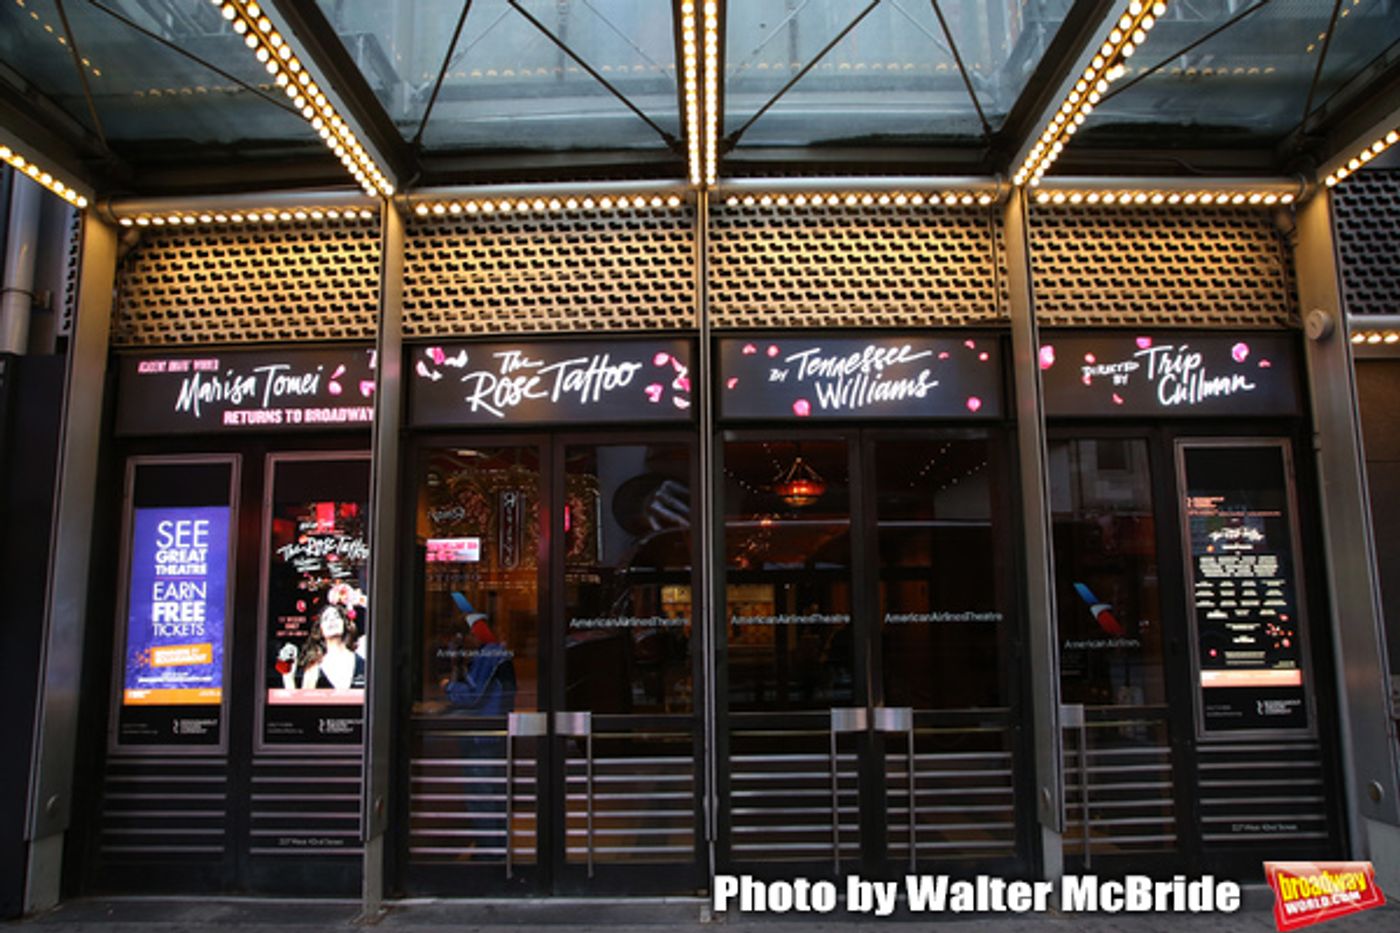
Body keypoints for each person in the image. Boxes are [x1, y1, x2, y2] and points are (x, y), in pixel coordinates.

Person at [443, 592, 515, 714]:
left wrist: (448, 686)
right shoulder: (488, 653)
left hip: (488, 718)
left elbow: (472, 696)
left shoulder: (489, 654)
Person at [282, 603, 366, 691]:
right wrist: (288, 679)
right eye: (326, 618)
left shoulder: (362, 658)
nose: (332, 620)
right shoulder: (314, 667)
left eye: (336, 616)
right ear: (320, 629)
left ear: (344, 624)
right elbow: (305, 702)